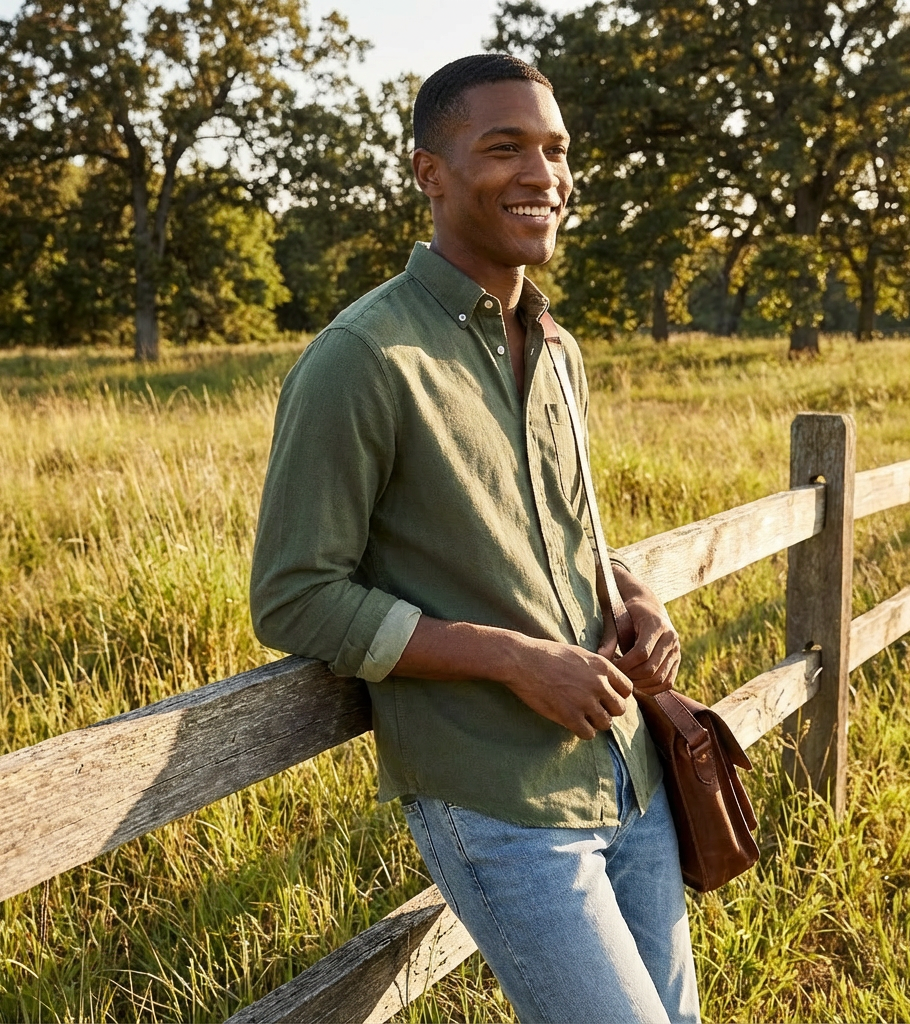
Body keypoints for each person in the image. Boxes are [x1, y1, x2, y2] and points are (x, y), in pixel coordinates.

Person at [250, 53, 700, 1024]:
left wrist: (636, 598)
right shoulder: (361, 358)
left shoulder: (557, 346)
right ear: (430, 173)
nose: (543, 173)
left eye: (555, 149)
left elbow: (567, 532)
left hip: (627, 768)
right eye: (505, 148)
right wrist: (511, 660)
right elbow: (295, 594)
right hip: (499, 798)